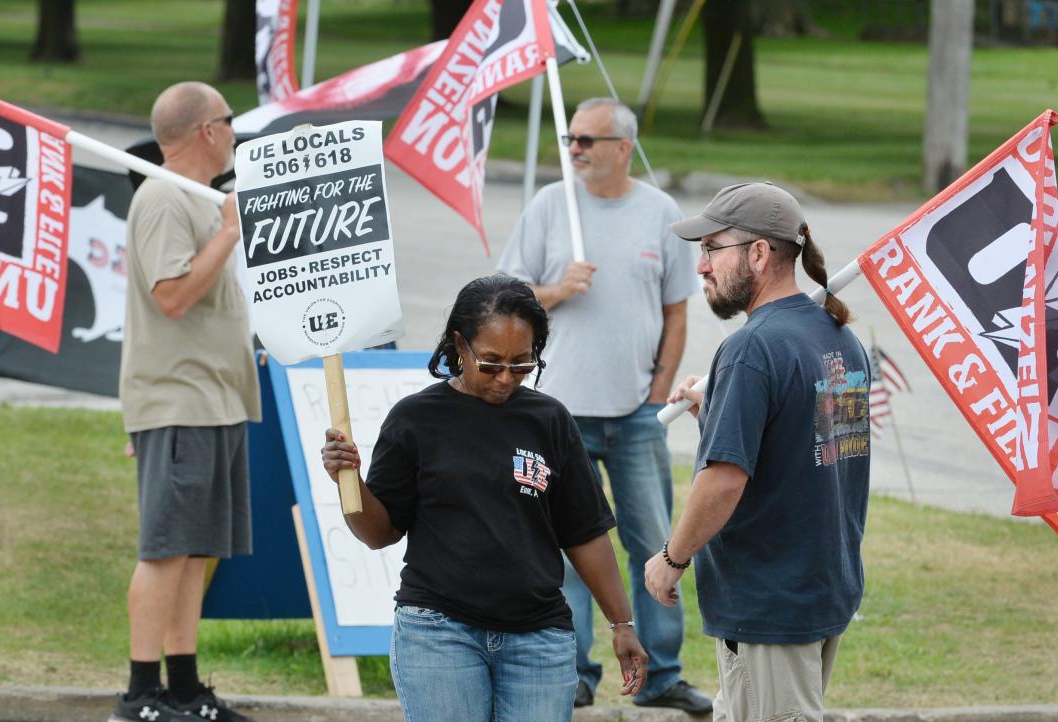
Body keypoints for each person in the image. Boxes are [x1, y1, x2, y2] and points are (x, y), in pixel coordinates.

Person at [320, 275, 648, 722]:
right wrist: (350, 480)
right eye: (491, 363)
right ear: (459, 344)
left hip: (539, 641)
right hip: (438, 633)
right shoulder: (414, 420)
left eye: (521, 364)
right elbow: (379, 533)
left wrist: (622, 624)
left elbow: (585, 533)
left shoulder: (549, 420)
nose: (505, 378)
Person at [496, 98, 709, 713]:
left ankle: (663, 674)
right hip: (558, 413)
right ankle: (574, 672)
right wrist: (558, 289)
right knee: (567, 548)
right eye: (571, 138)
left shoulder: (660, 212)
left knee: (656, 544)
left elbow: (676, 309)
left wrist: (660, 383)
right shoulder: (548, 206)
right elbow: (506, 294)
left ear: (624, 147)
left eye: (589, 139)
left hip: (638, 415)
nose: (576, 149)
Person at [644, 182, 871, 722]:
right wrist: (720, 408)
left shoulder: (752, 349)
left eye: (710, 250)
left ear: (759, 254)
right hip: (819, 589)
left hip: (771, 600)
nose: (701, 267)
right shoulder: (837, 335)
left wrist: (671, 559)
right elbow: (804, 443)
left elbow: (723, 481)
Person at [111, 81, 261, 722]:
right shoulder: (165, 197)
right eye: (229, 121)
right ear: (207, 130)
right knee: (166, 549)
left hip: (217, 401)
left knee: (196, 552)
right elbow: (172, 296)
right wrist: (228, 235)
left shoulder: (202, 198)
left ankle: (183, 689)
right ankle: (140, 696)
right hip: (179, 402)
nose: (234, 132)